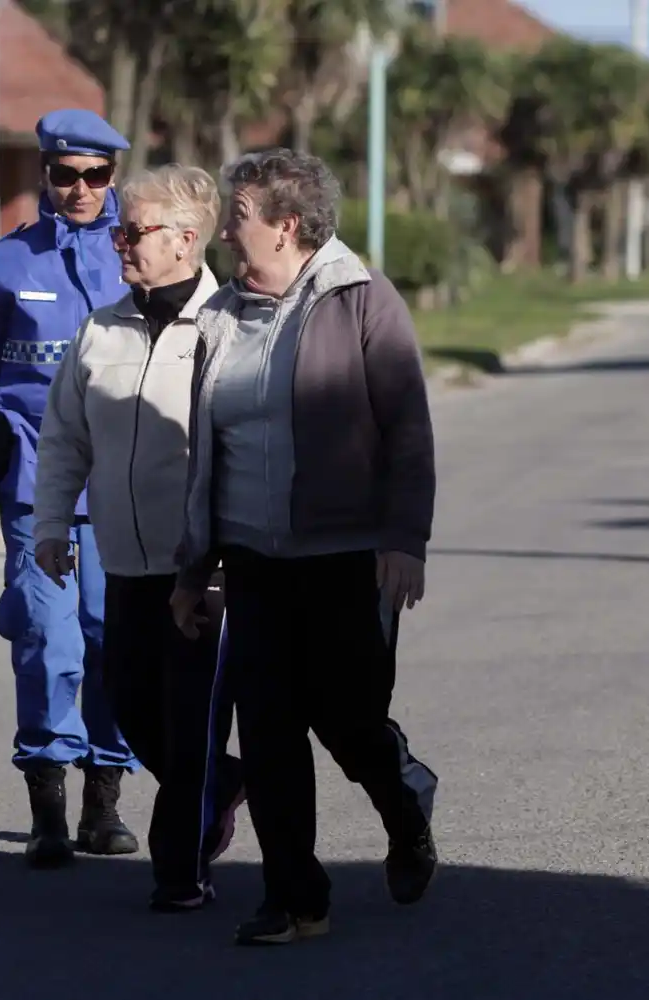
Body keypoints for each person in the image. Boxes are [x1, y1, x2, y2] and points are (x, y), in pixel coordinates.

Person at [170, 148, 440, 946]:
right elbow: (206, 455)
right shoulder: (221, 315)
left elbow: (408, 430)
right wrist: (195, 568)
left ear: (286, 226)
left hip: (345, 557)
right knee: (270, 729)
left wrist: (404, 539)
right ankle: (296, 900)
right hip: (255, 561)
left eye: (238, 217)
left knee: (350, 721)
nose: (225, 231)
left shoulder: (362, 300)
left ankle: (404, 800)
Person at [34, 164, 245, 910]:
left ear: (186, 240)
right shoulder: (101, 328)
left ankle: (180, 873)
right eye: (120, 231)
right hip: (122, 561)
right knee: (129, 707)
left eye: (133, 231)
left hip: (204, 569)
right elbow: (64, 438)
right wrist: (51, 524)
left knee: (189, 724)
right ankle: (224, 783)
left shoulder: (230, 327)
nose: (118, 242)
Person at [0, 109, 139, 869]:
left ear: (113, 176)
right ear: (45, 174)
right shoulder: (6, 263)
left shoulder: (141, 255)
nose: (81, 189)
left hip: (126, 489)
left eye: (96, 175)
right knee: (46, 641)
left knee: (113, 641)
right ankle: (47, 807)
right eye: (65, 174)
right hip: (35, 488)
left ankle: (104, 798)